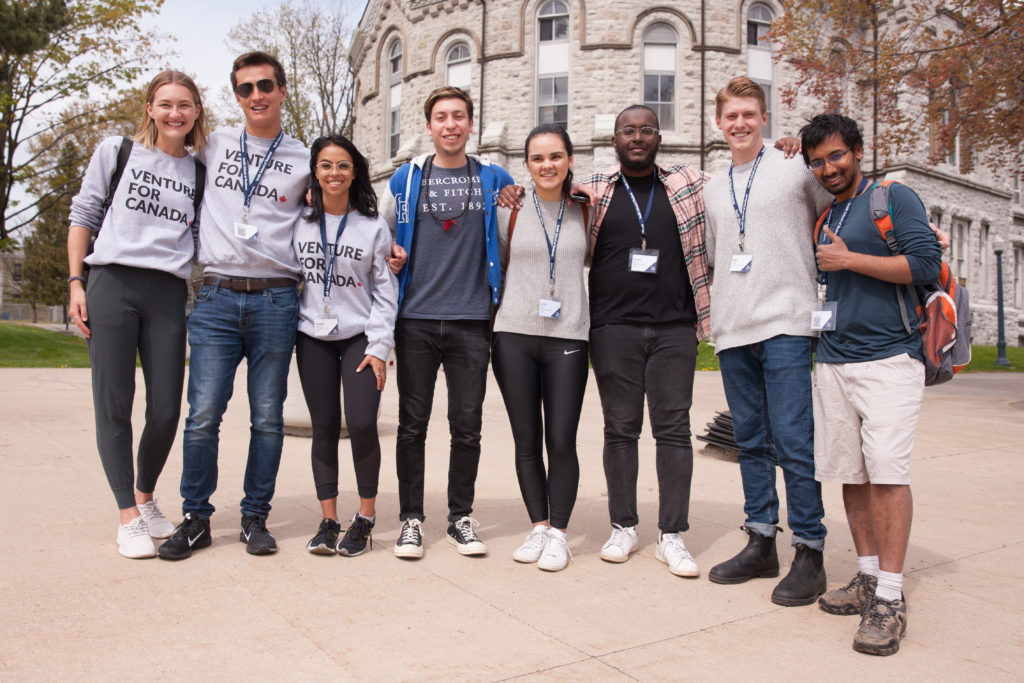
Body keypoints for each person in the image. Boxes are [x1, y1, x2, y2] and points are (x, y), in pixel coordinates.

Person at [159, 51, 310, 560]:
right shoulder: (215, 144)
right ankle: (196, 519)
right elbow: (165, 165)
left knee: (267, 417)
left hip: (276, 298)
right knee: (202, 415)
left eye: (265, 85)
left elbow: (337, 209)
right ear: (236, 96)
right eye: (245, 89)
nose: (256, 96)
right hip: (217, 297)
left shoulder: (304, 158)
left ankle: (254, 518)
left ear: (283, 90)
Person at [801, 114, 941, 655]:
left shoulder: (892, 198)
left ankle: (890, 595)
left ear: (857, 151)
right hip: (834, 359)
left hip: (890, 360)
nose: (828, 168)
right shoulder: (826, 211)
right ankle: (864, 576)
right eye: (818, 162)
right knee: (851, 475)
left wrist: (847, 259)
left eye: (836, 156)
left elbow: (926, 262)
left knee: (887, 475)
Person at [67, 70, 208, 559]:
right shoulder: (117, 151)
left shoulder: (199, 171)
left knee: (167, 407)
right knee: (114, 402)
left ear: (196, 112)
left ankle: (146, 497)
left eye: (184, 105)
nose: (175, 113)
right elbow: (83, 215)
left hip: (168, 290)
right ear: (150, 108)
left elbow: (197, 238)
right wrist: (75, 283)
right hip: (111, 284)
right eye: (166, 104)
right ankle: (127, 514)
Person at [704, 77, 831, 604]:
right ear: (719, 122)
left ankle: (810, 550)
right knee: (750, 441)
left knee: (794, 441)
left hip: (786, 322)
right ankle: (761, 540)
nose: (740, 124)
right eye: (731, 116)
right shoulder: (713, 185)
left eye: (749, 115)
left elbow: (841, 204)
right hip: (733, 328)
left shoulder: (796, 167)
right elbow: (715, 254)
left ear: (764, 118)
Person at [379, 86, 515, 559]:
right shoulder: (405, 180)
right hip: (415, 319)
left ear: (471, 124)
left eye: (459, 116)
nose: (451, 124)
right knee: (411, 425)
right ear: (430, 126)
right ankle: (411, 520)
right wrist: (389, 255)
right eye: (442, 117)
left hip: (472, 320)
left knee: (467, 425)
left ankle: (460, 518)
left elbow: (524, 222)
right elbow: (379, 237)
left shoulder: (494, 178)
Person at [579, 105, 707, 577]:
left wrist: (785, 152)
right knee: (620, 429)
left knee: (673, 429)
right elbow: (545, 197)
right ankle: (623, 526)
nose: (637, 137)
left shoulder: (688, 185)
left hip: (676, 327)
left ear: (659, 136)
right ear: (615, 138)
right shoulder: (593, 191)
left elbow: (743, 189)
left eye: (646, 130)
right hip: (614, 328)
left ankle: (671, 535)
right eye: (628, 131)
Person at [293, 135, 398, 556]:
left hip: (359, 339)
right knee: (323, 427)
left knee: (360, 424)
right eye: (325, 165)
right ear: (314, 172)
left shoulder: (372, 227)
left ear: (354, 171)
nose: (333, 173)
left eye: (342, 165)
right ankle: (329, 520)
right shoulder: (298, 222)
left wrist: (380, 346)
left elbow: (385, 291)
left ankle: (366, 519)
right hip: (312, 337)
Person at [493, 124, 589, 572]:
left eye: (555, 156)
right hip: (513, 333)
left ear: (570, 159)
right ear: (526, 165)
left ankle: (561, 534)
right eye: (537, 158)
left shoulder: (588, 210)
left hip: (568, 335)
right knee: (526, 439)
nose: (547, 165)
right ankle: (539, 525)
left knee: (561, 439)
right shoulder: (506, 210)